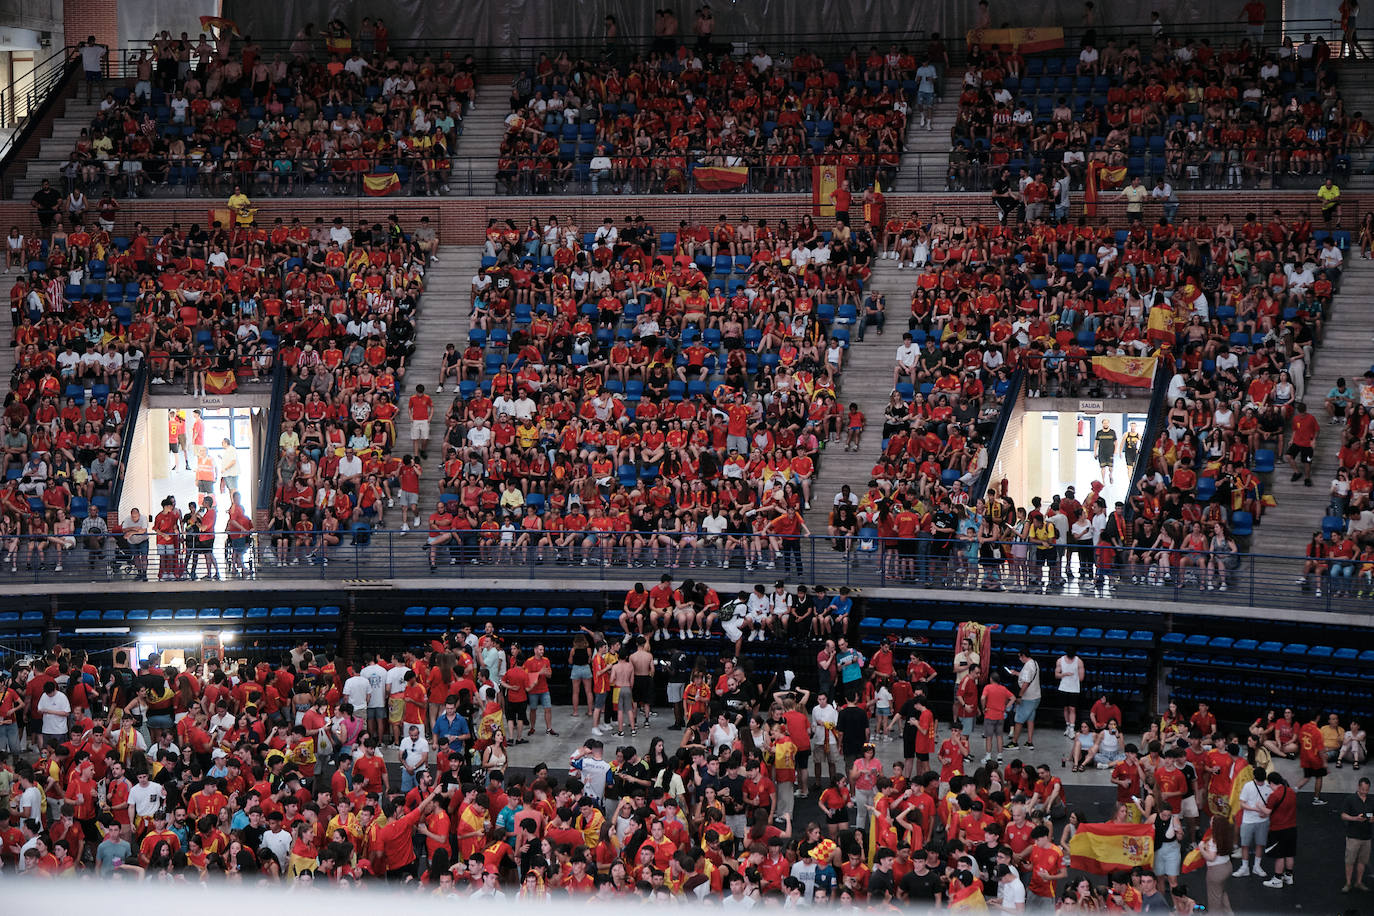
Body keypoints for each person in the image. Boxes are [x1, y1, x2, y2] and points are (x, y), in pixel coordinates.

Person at [1341, 776, 1374, 892]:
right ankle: (1348, 883)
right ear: (1358, 787)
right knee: (1350, 861)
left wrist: (1371, 819)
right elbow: (1343, 815)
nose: (1365, 792)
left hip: (1366, 837)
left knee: (1362, 861)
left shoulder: (1371, 800)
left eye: (1367, 789)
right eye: (1363, 789)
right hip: (1353, 836)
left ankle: (1358, 882)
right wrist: (1355, 818)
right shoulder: (1350, 799)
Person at [1007, 648, 1041, 749]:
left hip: (1028, 698)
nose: (1019, 658)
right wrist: (1017, 673)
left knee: (1019, 719)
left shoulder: (1027, 667)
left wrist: (1019, 696)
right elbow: (1028, 677)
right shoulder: (1034, 663)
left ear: (1023, 656)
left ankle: (1014, 742)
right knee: (1030, 719)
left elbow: (1025, 683)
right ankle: (1029, 742)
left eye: (1019, 656)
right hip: (1036, 696)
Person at [1055, 649, 1084, 736]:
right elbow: (1056, 675)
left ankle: (1072, 728)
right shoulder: (1060, 660)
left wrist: (1074, 679)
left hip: (1074, 689)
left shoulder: (1079, 661)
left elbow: (1081, 677)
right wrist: (1064, 674)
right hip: (1063, 688)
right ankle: (1067, 726)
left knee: (1072, 708)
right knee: (1065, 708)